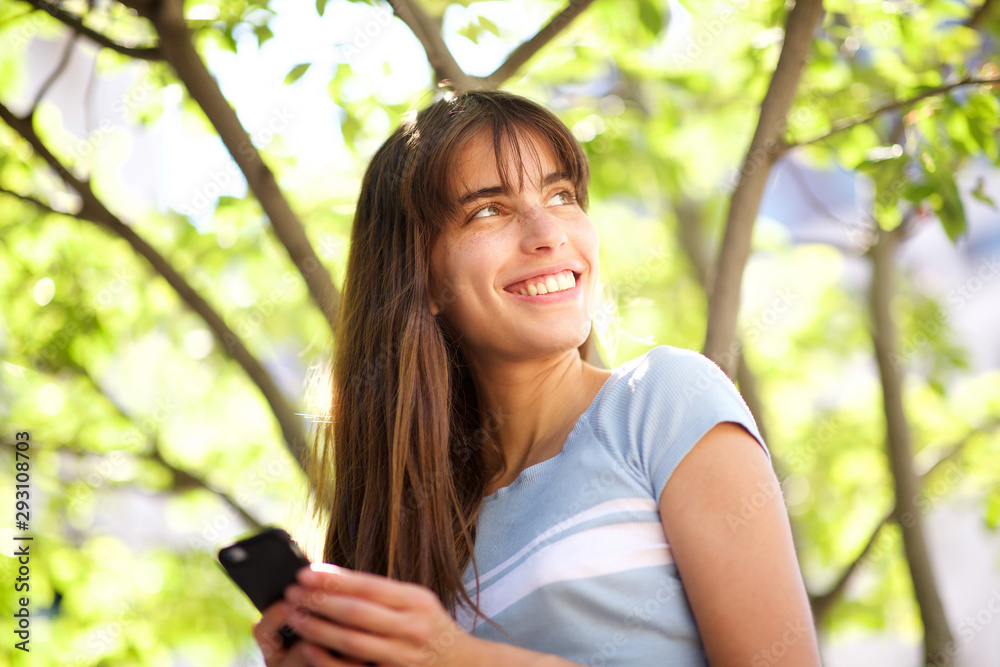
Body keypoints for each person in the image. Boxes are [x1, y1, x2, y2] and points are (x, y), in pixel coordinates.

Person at [252, 90, 821, 666]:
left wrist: (459, 659)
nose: (548, 233)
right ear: (419, 278)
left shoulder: (664, 401)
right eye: (488, 210)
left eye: (561, 195)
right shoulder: (407, 529)